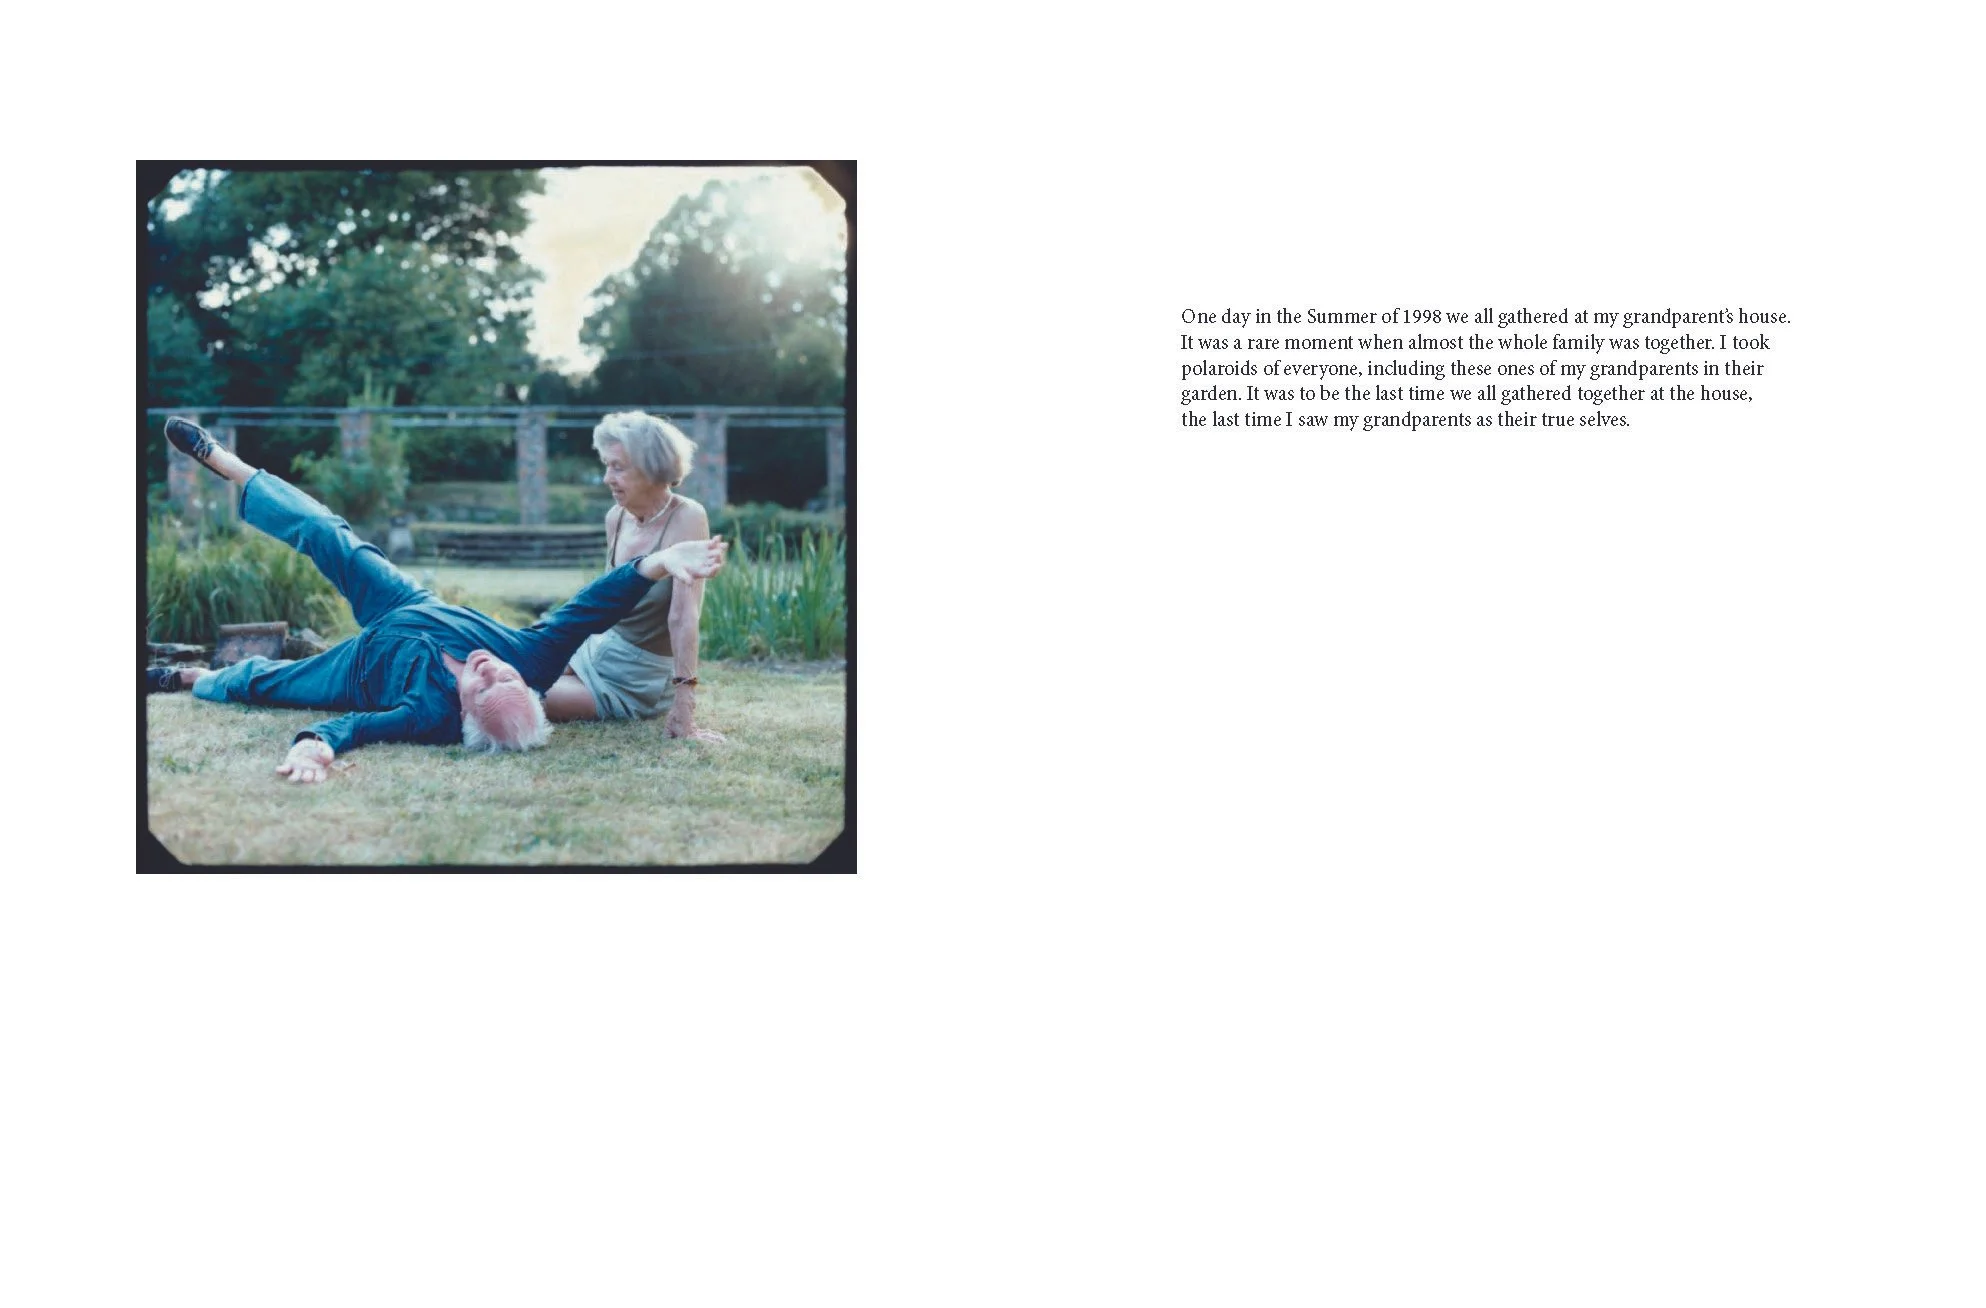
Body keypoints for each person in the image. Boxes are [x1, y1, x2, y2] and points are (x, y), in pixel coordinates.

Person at [147, 417, 727, 785]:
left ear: (466, 715)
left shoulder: (425, 714)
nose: (490, 670)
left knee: (270, 684)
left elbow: (349, 728)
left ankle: (193, 676)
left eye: (485, 689)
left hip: (359, 666)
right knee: (333, 538)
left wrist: (314, 748)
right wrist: (656, 563)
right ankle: (235, 468)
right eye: (510, 681)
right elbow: (592, 607)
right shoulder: (532, 661)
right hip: (410, 604)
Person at [540, 412, 724, 742]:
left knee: (518, 692)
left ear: (653, 468)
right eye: (607, 466)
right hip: (594, 648)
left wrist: (685, 711)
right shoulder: (617, 517)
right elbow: (607, 603)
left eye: (618, 467)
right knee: (503, 666)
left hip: (635, 675)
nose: (607, 478)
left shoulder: (686, 517)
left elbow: (683, 616)